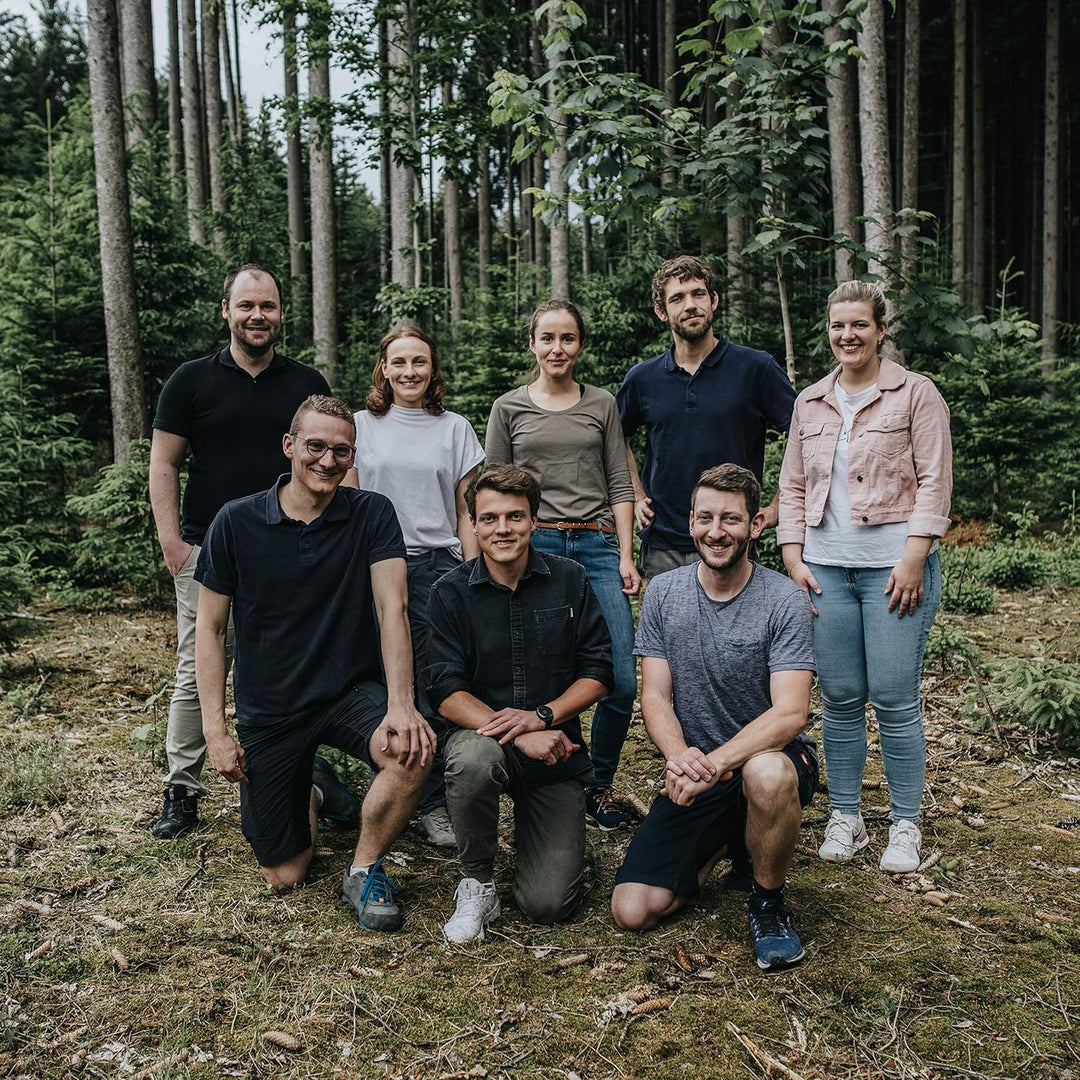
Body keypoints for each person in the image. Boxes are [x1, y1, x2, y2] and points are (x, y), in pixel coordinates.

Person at [194, 395, 435, 931]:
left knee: (413, 751)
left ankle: (364, 868)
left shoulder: (371, 513)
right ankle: (316, 785)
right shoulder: (236, 523)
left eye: (341, 451)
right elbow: (209, 631)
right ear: (290, 446)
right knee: (286, 873)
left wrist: (401, 705)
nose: (328, 460)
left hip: (349, 692)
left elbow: (391, 608)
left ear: (353, 456)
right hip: (272, 707)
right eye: (316, 446)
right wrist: (215, 729)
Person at [148, 264, 331, 839]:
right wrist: (173, 543)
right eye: (247, 305)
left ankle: (301, 770)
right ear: (226, 310)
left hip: (288, 549)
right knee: (196, 666)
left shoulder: (307, 381)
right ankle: (182, 786)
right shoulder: (190, 381)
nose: (258, 316)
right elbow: (163, 463)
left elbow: (332, 462)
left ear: (281, 314)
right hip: (207, 550)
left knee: (287, 665)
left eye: (268, 306)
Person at [611, 465, 817, 972]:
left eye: (730, 519)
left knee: (763, 774)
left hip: (773, 761)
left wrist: (717, 763)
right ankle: (730, 841)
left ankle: (767, 903)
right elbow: (655, 697)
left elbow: (791, 711)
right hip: (699, 769)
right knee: (632, 910)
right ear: (690, 522)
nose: (716, 531)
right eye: (705, 517)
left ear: (755, 524)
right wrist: (683, 760)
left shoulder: (783, 599)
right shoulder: (664, 592)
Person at [778, 280, 952, 874]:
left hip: (893, 570)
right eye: (837, 326)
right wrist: (794, 555)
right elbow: (793, 485)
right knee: (842, 699)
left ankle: (905, 822)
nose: (846, 336)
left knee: (896, 698)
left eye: (859, 325)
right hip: (826, 570)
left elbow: (934, 480)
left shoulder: (916, 394)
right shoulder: (811, 401)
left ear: (880, 330)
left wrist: (912, 557)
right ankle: (846, 816)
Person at [424, 465, 614, 942]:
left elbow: (599, 673)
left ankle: (551, 845)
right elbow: (444, 690)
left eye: (514, 517)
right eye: (489, 519)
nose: (501, 529)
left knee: (547, 905)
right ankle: (478, 881)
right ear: (471, 524)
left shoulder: (570, 580)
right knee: (471, 757)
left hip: (556, 751)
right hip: (484, 741)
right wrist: (521, 732)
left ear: (534, 520)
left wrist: (543, 717)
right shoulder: (449, 592)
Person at [485, 301, 639, 829]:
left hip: (596, 545)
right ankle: (554, 778)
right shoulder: (508, 408)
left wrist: (624, 555)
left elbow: (619, 481)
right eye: (547, 338)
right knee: (548, 675)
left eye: (568, 338)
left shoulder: (601, 404)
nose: (558, 348)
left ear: (580, 345)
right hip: (537, 547)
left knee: (619, 682)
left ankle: (598, 785)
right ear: (532, 343)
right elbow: (496, 491)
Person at [343, 325, 484, 848]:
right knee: (385, 679)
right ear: (383, 367)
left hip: (436, 567)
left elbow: (466, 510)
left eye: (419, 362)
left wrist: (474, 574)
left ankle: (434, 804)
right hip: (376, 565)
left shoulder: (454, 428)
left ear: (433, 369)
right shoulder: (359, 426)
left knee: (433, 683)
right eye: (398, 362)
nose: (409, 372)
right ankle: (394, 779)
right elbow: (347, 507)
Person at [617, 255, 796, 578]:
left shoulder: (756, 368)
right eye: (677, 298)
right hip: (664, 543)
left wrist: (778, 505)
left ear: (713, 301)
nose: (690, 305)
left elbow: (806, 434)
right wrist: (637, 494)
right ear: (662, 311)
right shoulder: (643, 378)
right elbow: (616, 436)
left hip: (732, 540)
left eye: (698, 294)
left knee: (736, 630)